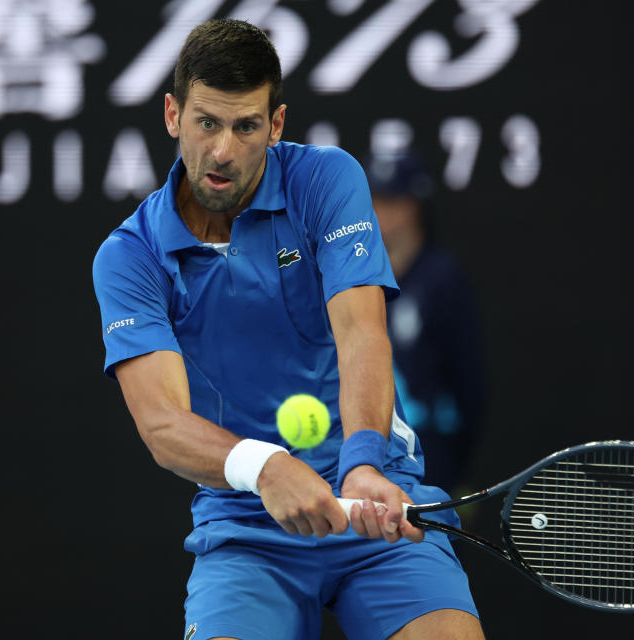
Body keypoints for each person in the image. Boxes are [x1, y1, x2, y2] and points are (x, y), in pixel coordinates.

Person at [92, 19, 483, 640]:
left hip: (373, 494)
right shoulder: (130, 256)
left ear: (275, 126)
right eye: (206, 123)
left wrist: (360, 464)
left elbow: (362, 332)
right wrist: (265, 467)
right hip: (246, 523)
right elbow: (161, 422)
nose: (222, 151)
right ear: (173, 115)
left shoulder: (327, 180)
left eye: (245, 126)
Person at [364, 151, 485, 496]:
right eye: (371, 200)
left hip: (432, 453)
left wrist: (460, 464)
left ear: (415, 204)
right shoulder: (350, 274)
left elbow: (469, 375)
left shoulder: (443, 277)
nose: (379, 212)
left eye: (391, 200)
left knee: (426, 546)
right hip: (364, 450)